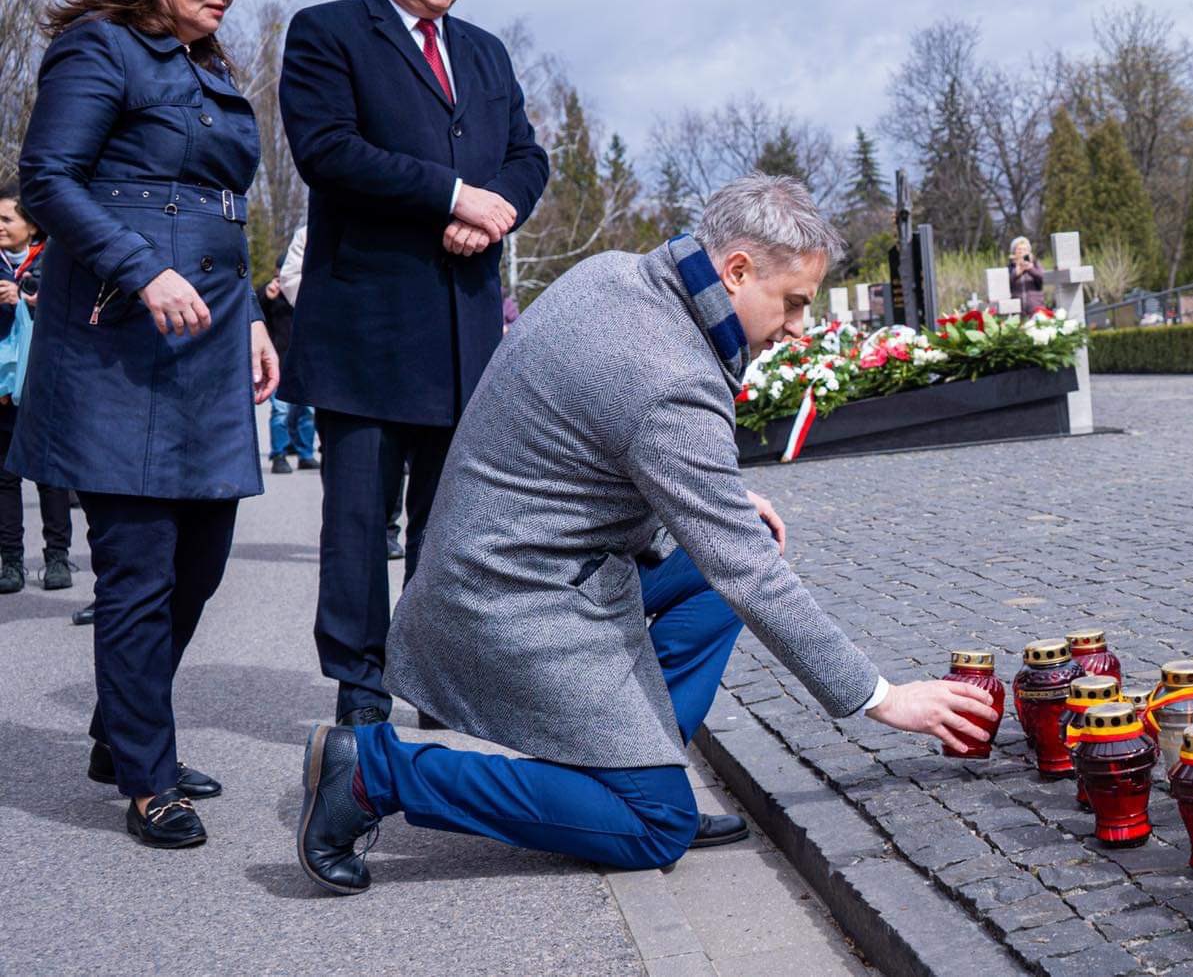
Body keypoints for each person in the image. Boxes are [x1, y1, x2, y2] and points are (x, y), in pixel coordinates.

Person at [294, 175, 995, 893]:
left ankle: (629, 762)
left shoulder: (618, 274)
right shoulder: (671, 374)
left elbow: (593, 446)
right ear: (737, 271)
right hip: (508, 598)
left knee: (724, 563)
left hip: (512, 557)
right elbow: (748, 571)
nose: (797, 326)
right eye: (792, 302)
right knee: (654, 825)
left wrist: (717, 498)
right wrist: (881, 697)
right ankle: (376, 772)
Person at [10, 0, 280, 848]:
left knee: (201, 563)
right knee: (139, 568)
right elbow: (47, 179)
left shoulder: (208, 67)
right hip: (118, 342)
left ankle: (117, 734)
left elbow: (220, 212)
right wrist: (140, 266)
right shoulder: (98, 48)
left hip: (208, 336)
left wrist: (253, 319)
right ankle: (146, 777)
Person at [279, 0, 548, 729]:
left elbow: (526, 156)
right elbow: (329, 151)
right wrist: (454, 197)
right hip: (368, 328)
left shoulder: (485, 52)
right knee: (361, 522)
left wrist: (495, 209)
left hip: (466, 330)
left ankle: (436, 677)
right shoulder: (327, 33)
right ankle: (361, 685)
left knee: (451, 521)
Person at [0, 186, 75, 594]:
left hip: (45, 384)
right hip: (2, 390)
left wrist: (27, 297)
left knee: (50, 477)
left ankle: (57, 557)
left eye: (6, 219)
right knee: (4, 478)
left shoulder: (55, 259)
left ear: (31, 225)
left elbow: (69, 309)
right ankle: (11, 561)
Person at [259, 255, 318, 475]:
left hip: (304, 360)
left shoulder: (305, 289)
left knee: (307, 411)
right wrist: (266, 297)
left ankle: (305, 454)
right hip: (278, 360)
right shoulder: (270, 292)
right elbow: (254, 314)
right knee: (281, 411)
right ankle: (279, 455)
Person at [1008, 236, 1045, 313]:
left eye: (1025, 249)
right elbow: (1005, 285)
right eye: (1019, 249)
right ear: (1014, 252)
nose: (1022, 252)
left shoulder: (1035, 264)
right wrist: (1016, 273)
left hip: (1036, 307)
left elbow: (1043, 278)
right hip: (1016, 310)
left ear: (1029, 252)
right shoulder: (1010, 267)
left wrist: (1030, 269)